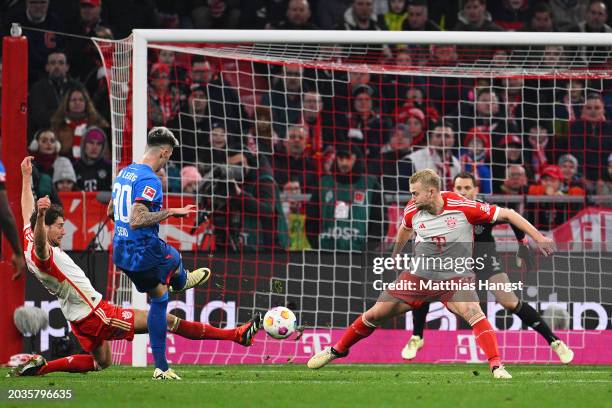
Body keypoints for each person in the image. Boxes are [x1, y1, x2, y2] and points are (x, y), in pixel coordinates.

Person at [9, 156, 260, 378]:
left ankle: (42, 367)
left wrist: (26, 177)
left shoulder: (29, 236)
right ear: (47, 227)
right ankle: (237, 335)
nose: (64, 231)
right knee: (167, 320)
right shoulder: (43, 252)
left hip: (77, 316)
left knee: (102, 362)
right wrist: (42, 217)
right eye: (60, 226)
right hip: (97, 314)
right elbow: (41, 241)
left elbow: (25, 209)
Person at [307, 169, 555, 379]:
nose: (411, 197)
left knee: (474, 312)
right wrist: (395, 255)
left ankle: (497, 366)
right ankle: (337, 350)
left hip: (454, 279)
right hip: (417, 278)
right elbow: (404, 229)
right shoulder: (413, 209)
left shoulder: (464, 207)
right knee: (374, 314)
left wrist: (539, 238)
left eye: (415, 193)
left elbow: (510, 215)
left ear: (431, 192)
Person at [401, 172, 574, 364]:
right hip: (453, 260)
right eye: (459, 188)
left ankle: (555, 342)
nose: (463, 192)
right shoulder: (444, 206)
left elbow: (510, 217)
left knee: (509, 302)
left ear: (475, 190)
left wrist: (523, 242)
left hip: (484, 258)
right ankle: (417, 337)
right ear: (453, 189)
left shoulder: (480, 208)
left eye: (467, 188)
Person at [108, 127, 214, 379]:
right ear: (164, 153)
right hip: (143, 250)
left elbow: (112, 212)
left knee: (159, 298)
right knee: (175, 258)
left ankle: (161, 368)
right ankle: (181, 280)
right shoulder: (149, 180)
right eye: (169, 157)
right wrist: (171, 212)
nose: (167, 163)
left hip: (120, 251)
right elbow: (136, 219)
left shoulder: (125, 173)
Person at [74, 127, 112, 192]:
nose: (94, 147)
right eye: (91, 143)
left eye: (99, 144)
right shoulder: (74, 167)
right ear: (84, 144)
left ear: (103, 147)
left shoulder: (110, 167)